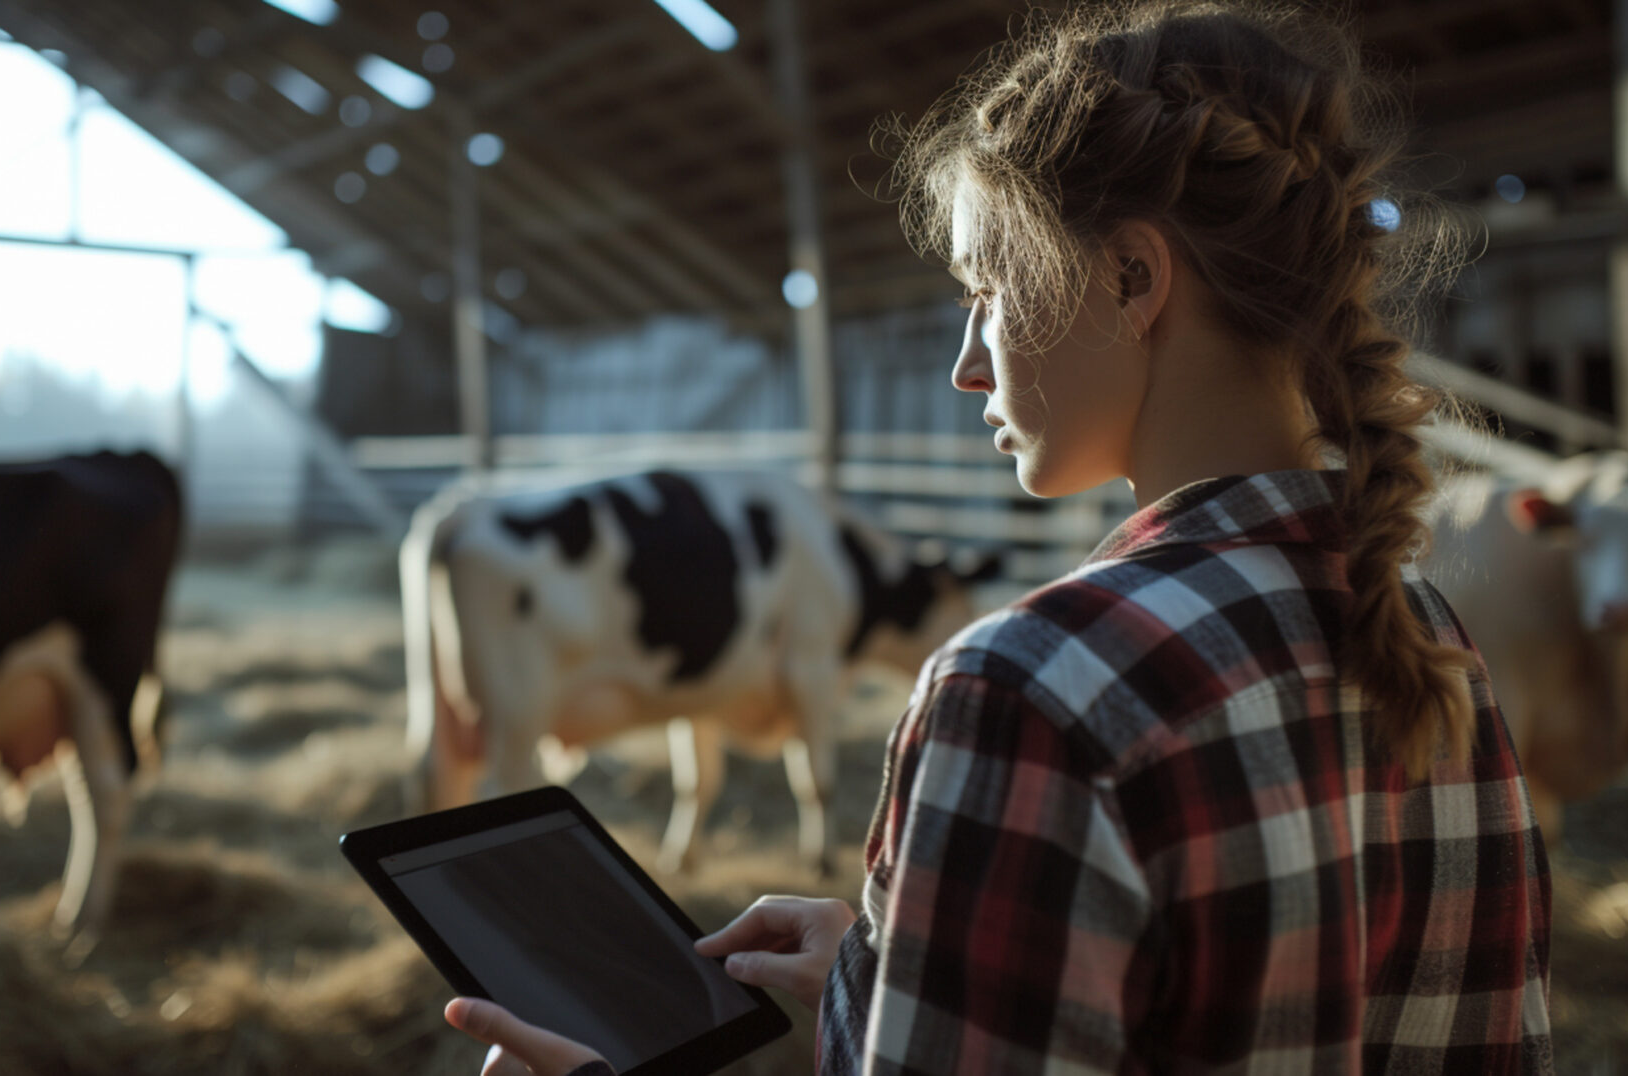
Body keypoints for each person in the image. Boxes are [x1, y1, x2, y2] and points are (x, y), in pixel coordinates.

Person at [442, 0, 1554, 1071]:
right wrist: (886, 977)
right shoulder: (1429, 645)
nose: (967, 364)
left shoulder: (1031, 692)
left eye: (988, 290)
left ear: (1131, 278)